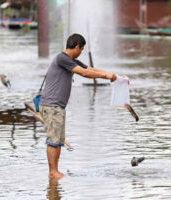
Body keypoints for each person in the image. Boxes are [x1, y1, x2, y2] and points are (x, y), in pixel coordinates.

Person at [39, 33, 117, 179]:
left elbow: (90, 69)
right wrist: (106, 77)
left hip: (58, 107)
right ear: (76, 47)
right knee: (53, 140)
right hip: (52, 106)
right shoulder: (62, 58)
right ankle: (53, 171)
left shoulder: (70, 60)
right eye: (81, 49)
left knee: (58, 141)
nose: (81, 52)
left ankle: (55, 171)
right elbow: (84, 73)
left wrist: (111, 75)